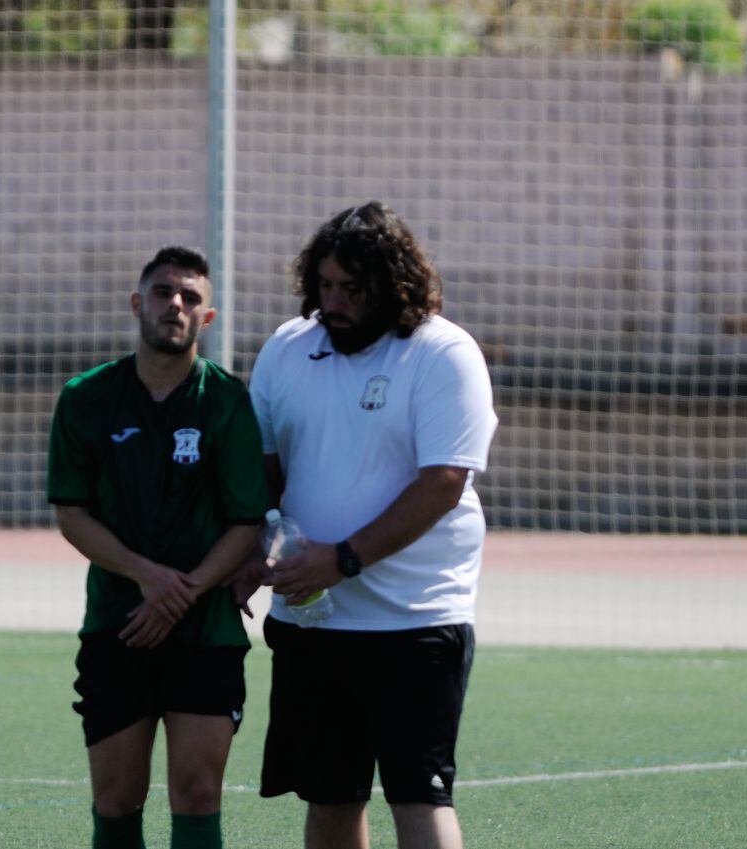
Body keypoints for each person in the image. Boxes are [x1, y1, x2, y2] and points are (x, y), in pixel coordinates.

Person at [241, 201, 498, 849]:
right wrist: (249, 549)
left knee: (420, 795)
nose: (335, 302)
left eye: (352, 289)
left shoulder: (443, 353)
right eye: (325, 286)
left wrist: (343, 558)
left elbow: (444, 483)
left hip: (415, 618)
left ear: (393, 284)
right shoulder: (287, 347)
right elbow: (263, 471)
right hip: (312, 620)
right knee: (330, 798)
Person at [46, 245, 269, 849]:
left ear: (208, 318)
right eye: (164, 292)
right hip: (119, 627)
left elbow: (247, 523)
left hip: (206, 633)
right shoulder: (86, 398)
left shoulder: (227, 402)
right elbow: (72, 513)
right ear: (137, 303)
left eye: (191, 297)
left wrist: (179, 594)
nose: (176, 304)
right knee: (117, 800)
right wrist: (146, 576)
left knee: (197, 795)